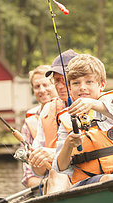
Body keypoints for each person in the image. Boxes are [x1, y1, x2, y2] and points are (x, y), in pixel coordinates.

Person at [53, 53, 113, 188]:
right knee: (109, 179)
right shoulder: (66, 119)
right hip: (86, 181)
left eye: (89, 82)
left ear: (101, 85)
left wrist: (93, 104)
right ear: (70, 88)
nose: (82, 87)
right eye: (76, 83)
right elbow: (60, 167)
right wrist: (68, 145)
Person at [25, 50, 78, 190]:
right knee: (56, 175)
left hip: (90, 177)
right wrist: (37, 160)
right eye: (56, 81)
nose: (60, 86)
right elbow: (36, 172)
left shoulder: (99, 105)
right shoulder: (47, 111)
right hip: (58, 180)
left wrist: (53, 153)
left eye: (64, 80)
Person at [20, 65, 58, 188]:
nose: (42, 90)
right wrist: (48, 184)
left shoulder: (71, 110)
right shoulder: (29, 123)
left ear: (56, 85)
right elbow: (29, 177)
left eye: (46, 85)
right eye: (37, 86)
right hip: (46, 183)